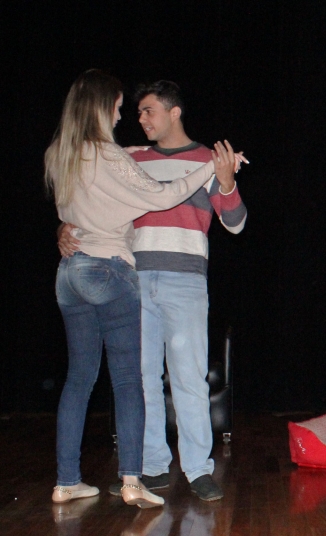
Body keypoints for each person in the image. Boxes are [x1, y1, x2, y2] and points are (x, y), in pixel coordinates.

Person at [45, 69, 239, 507]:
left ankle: (197, 468)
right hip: (127, 276)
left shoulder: (207, 157)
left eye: (147, 111)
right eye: (130, 111)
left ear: (174, 112)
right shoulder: (127, 157)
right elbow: (104, 199)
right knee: (140, 378)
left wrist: (224, 180)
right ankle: (147, 468)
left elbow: (236, 222)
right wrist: (64, 226)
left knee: (184, 377)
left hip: (177, 278)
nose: (136, 119)